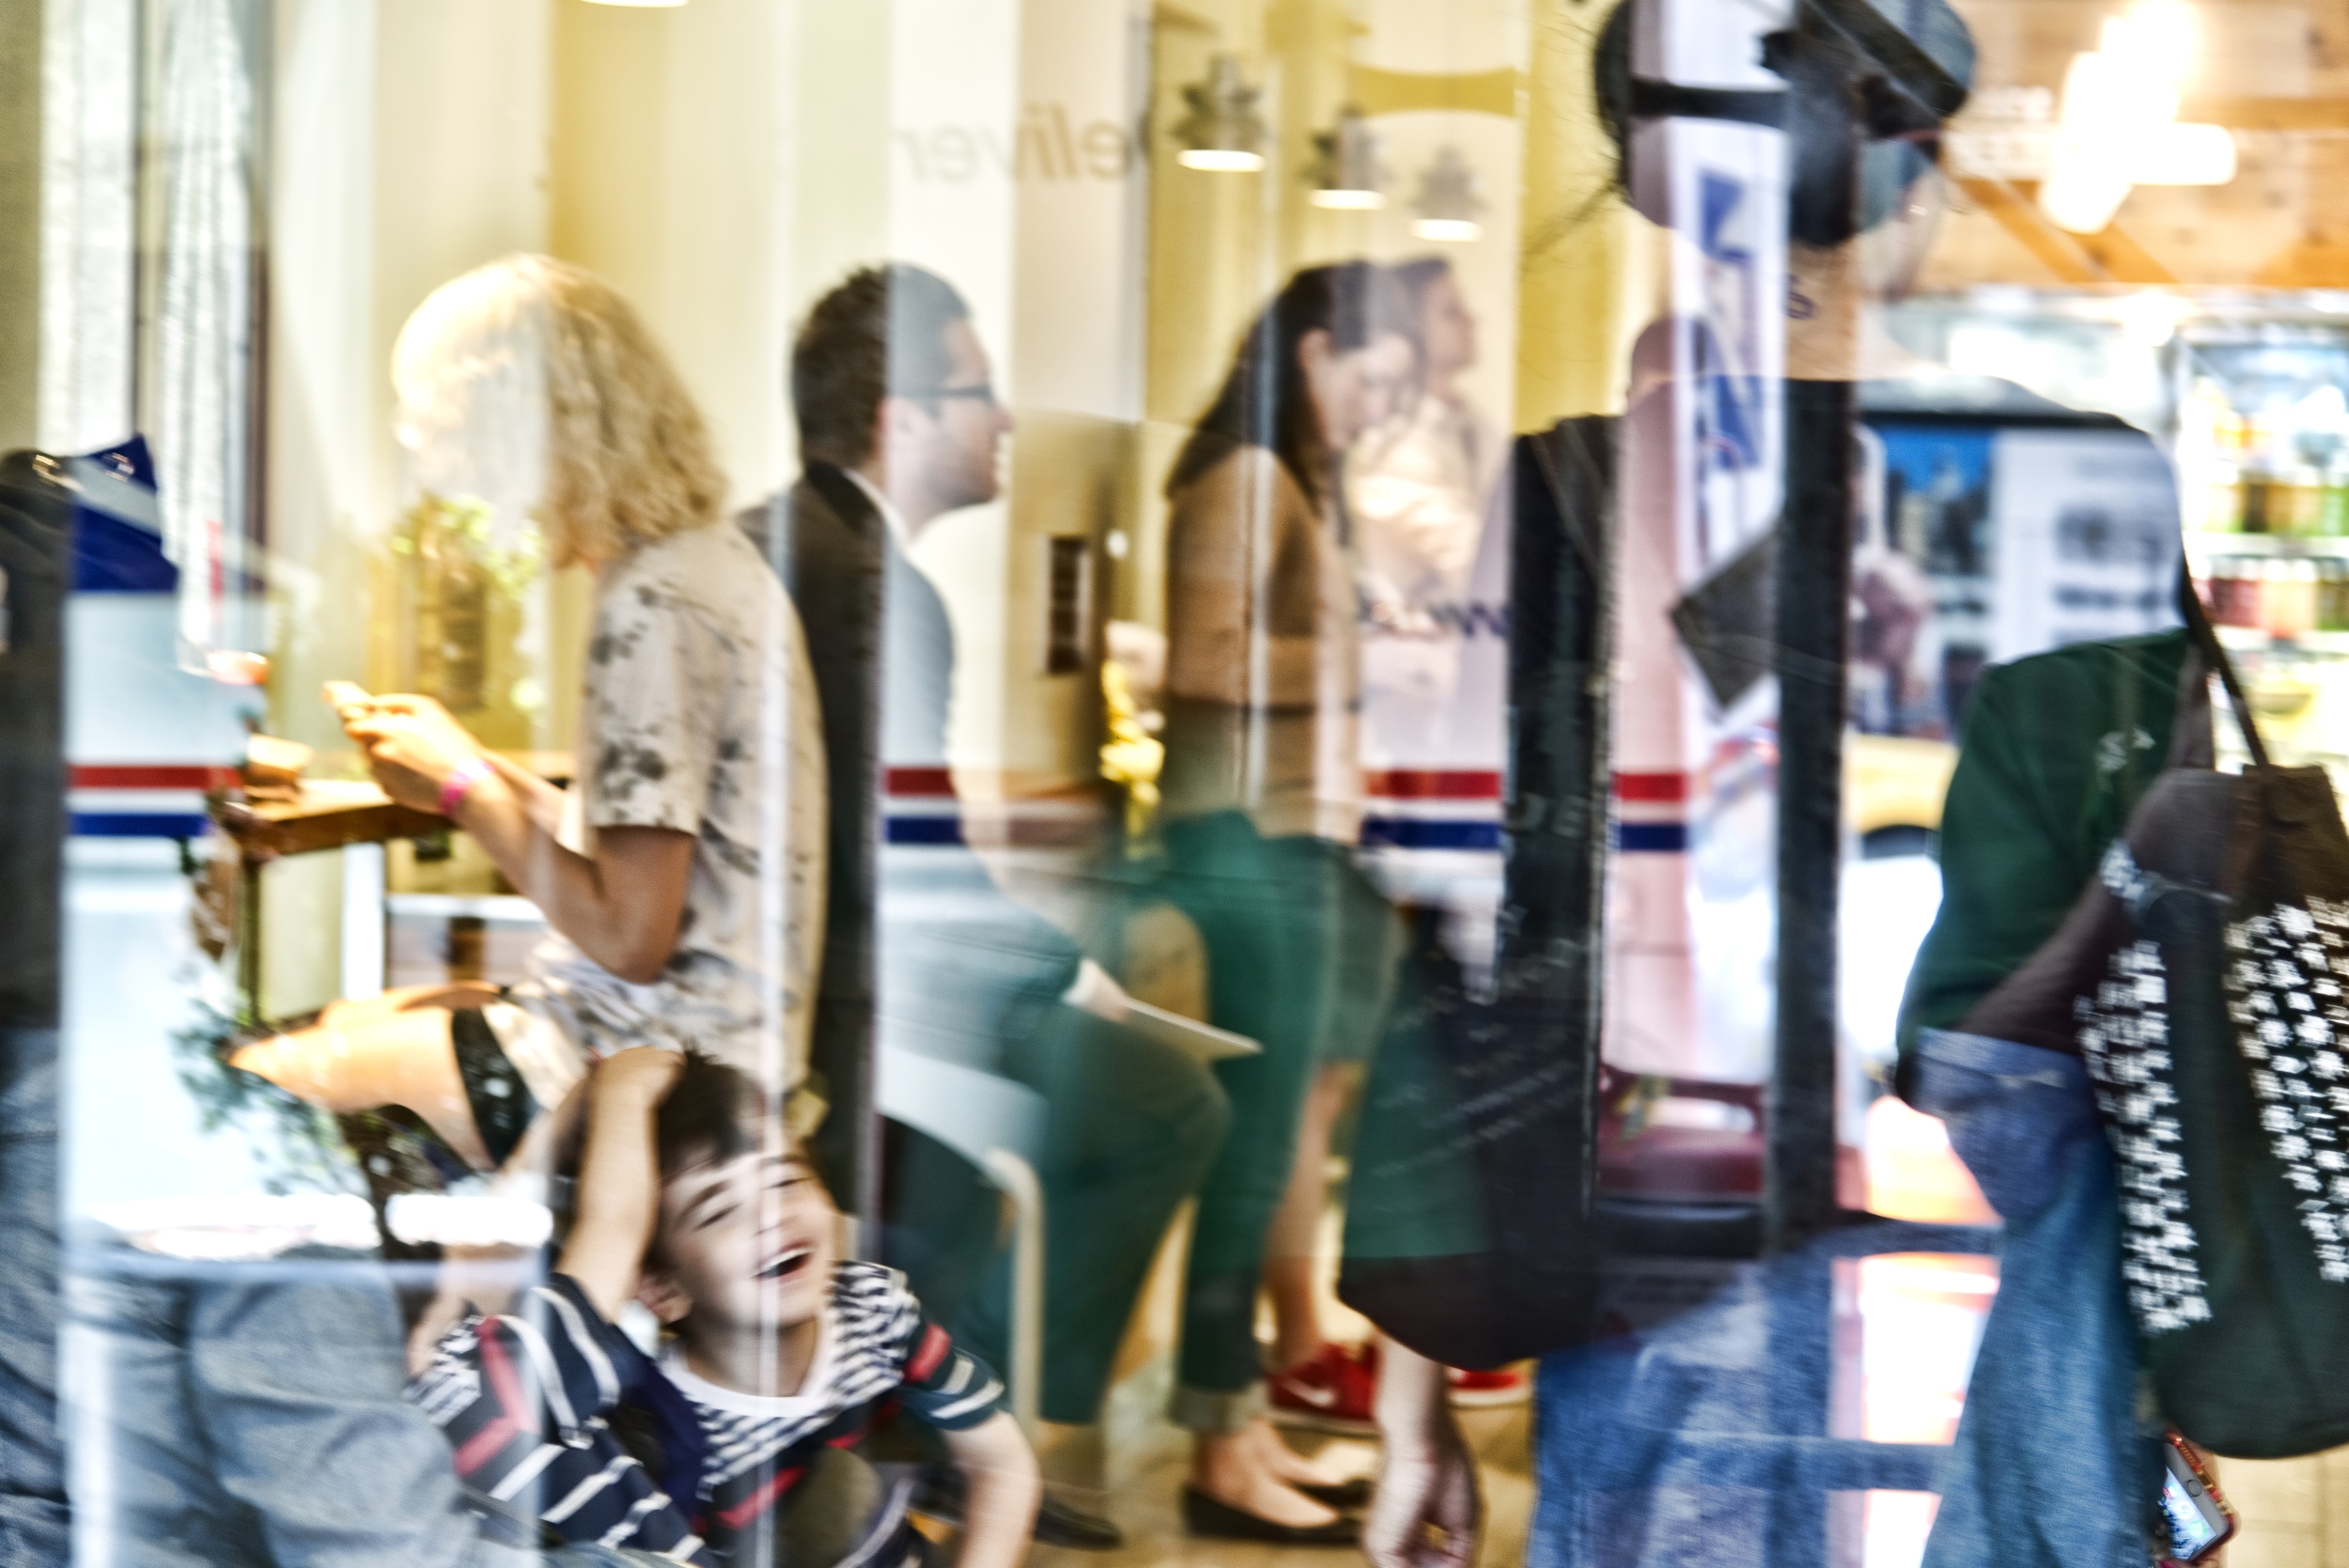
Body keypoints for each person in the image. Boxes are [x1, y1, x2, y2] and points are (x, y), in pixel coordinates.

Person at [741, 265, 1227, 1531]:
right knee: (1170, 1101)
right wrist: (1063, 966)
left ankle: (953, 1421)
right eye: (980, 392)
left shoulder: (786, 541)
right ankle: (974, 1428)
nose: (1007, 420)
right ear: (903, 420)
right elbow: (902, 867)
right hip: (868, 1013)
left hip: (826, 991)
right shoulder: (873, 586)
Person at [229, 255, 828, 1172]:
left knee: (257, 1081)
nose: (442, 479)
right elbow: (649, 857)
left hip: (655, 1064)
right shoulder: (696, 567)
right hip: (704, 1038)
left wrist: (466, 788)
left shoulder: (654, 609)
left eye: (446, 439)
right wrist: (466, 767)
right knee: (353, 1023)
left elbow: (629, 935)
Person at [1156, 261, 1418, 1541]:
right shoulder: (1248, 478)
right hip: (1246, 842)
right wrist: (1379, 652)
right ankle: (1219, 1434)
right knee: (1255, 1148)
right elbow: (1200, 664)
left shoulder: (1288, 481)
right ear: (1313, 352)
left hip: (1281, 839)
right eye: (1372, 378)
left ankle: (1242, 1420)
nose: (1377, 408)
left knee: (1273, 1143)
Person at [410, 1046, 1038, 1566]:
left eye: (787, 1179)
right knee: (833, 1497)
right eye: (720, 1210)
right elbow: (600, 1230)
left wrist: (595, 1098)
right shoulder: (672, 1441)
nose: (772, 1215)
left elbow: (1001, 1462)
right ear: (660, 1287)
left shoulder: (872, 1305)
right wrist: (623, 1088)